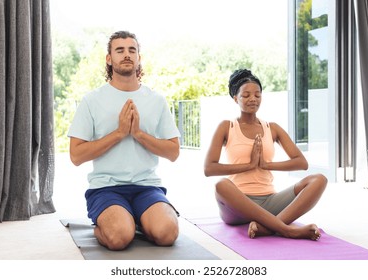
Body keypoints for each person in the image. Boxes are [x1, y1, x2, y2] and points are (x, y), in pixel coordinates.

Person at [68, 31, 181, 250]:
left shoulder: (157, 100)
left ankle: (139, 218)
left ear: (139, 57)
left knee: (167, 234)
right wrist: (119, 133)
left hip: (147, 187)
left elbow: (173, 152)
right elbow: (76, 155)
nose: (126, 54)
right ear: (109, 59)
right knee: (119, 237)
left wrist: (138, 134)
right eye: (119, 50)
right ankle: (116, 222)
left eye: (132, 50)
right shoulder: (92, 100)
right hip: (106, 188)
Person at [204, 69, 327, 241]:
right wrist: (249, 165)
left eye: (257, 94)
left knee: (319, 179)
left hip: (269, 201)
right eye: (246, 95)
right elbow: (209, 168)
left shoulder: (272, 128)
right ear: (235, 98)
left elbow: (301, 163)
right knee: (221, 185)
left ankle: (268, 228)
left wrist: (266, 165)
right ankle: (288, 230)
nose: (252, 99)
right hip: (237, 205)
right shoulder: (226, 127)